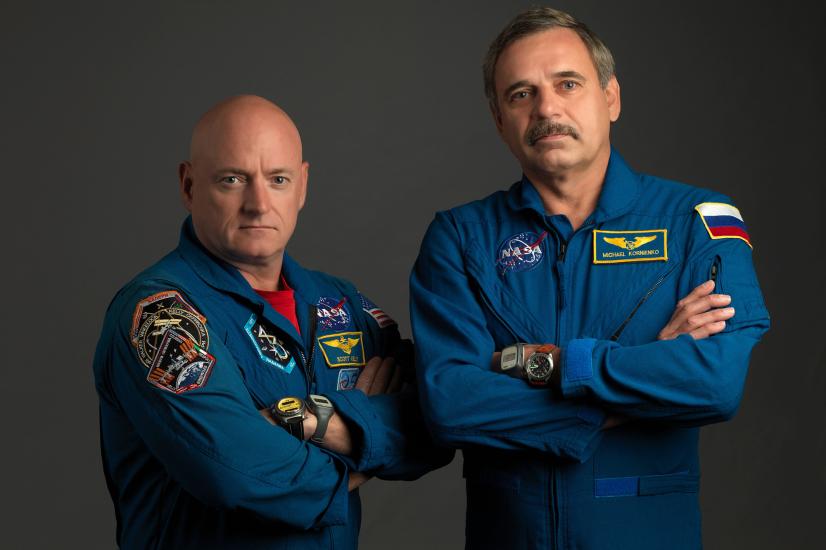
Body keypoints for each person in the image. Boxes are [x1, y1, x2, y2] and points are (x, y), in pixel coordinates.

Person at [410, 7, 769, 549]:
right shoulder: (461, 238)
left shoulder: (699, 221)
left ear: (611, 98)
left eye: (567, 83)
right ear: (499, 119)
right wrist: (644, 369)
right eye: (521, 94)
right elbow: (451, 404)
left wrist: (560, 365)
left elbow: (714, 384)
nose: (546, 108)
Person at [93, 95, 451, 549]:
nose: (258, 204)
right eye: (232, 180)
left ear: (302, 186)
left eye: (277, 179)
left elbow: (441, 417)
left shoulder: (339, 302)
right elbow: (235, 473)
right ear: (188, 186)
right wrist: (365, 452)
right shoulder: (160, 314)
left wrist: (323, 426)